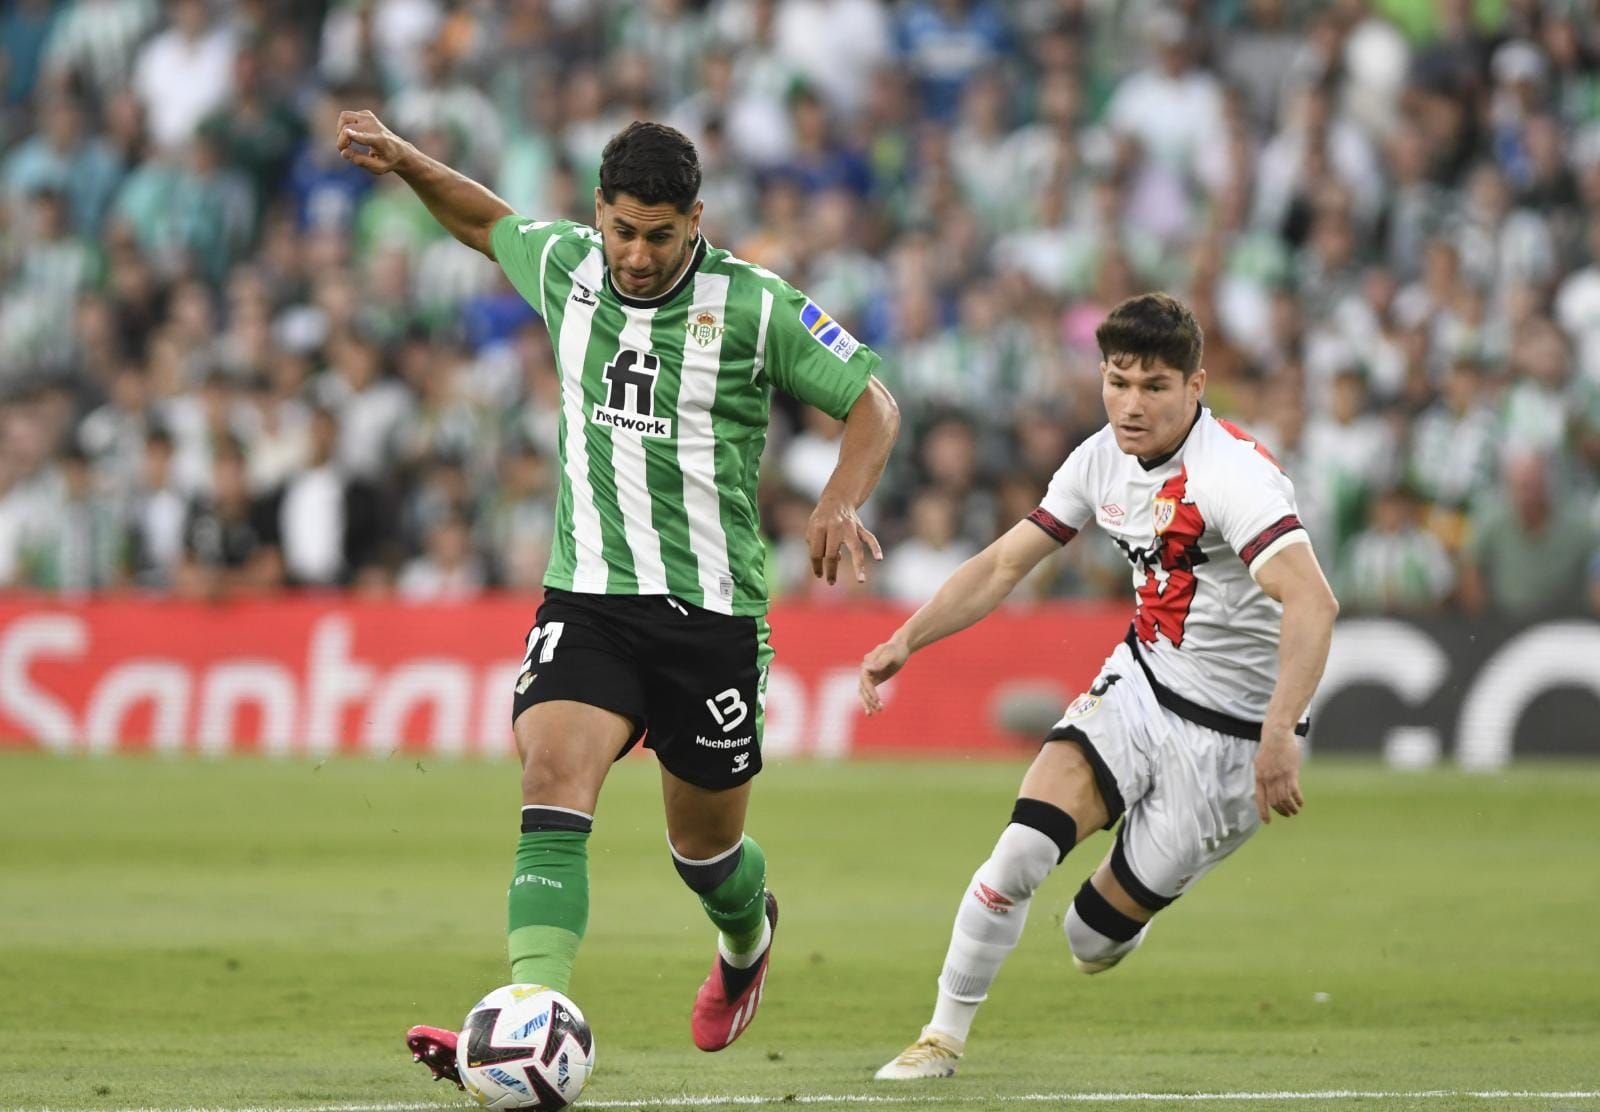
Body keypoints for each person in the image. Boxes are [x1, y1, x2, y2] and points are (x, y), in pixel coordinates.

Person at [332, 111, 900, 1079]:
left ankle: (745, 936)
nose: (636, 256)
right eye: (622, 230)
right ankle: (527, 1009)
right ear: (598, 213)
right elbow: (483, 220)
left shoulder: (755, 305)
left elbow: (872, 401)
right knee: (551, 774)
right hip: (587, 597)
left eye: (660, 235)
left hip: (712, 616)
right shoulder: (566, 264)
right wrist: (403, 160)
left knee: (705, 852)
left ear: (696, 222)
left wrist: (839, 496)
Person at [861, 292, 1338, 1079]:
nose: (1132, 403)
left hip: (1233, 741)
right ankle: (940, 1040)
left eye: (1155, 386)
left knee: (1090, 941)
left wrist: (1282, 731)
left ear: (1196, 386)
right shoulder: (1099, 458)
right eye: (1118, 381)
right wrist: (906, 638)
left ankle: (1121, 909)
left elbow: (1313, 601)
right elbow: (1006, 563)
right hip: (1143, 681)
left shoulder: (1235, 477)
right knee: (1018, 853)